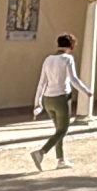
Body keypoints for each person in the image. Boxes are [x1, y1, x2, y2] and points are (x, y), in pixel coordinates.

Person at [32, 33, 86, 171]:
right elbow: (73, 79)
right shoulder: (67, 58)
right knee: (63, 129)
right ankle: (41, 152)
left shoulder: (48, 59)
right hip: (61, 97)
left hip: (47, 98)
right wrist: (86, 91)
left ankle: (61, 160)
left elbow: (41, 82)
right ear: (71, 46)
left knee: (58, 131)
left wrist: (37, 101)